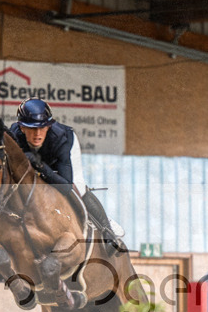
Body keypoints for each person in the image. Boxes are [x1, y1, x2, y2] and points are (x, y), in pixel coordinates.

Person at [8, 98, 125, 248]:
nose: (37, 134)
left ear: (49, 126)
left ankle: (107, 228)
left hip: (59, 162)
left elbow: (66, 186)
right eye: (32, 129)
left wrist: (40, 166)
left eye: (42, 128)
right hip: (39, 163)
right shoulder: (14, 136)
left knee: (79, 186)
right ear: (22, 128)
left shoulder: (62, 138)